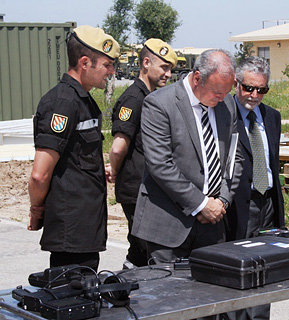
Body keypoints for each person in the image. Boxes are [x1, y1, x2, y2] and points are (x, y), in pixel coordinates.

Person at [131, 49, 243, 265]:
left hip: (214, 222)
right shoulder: (159, 104)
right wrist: (201, 204)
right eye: (217, 92)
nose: (221, 99)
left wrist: (222, 201)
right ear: (198, 78)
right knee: (168, 294)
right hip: (169, 225)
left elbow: (234, 158)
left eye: (226, 92)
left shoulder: (227, 105)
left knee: (212, 293)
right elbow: (161, 165)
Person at [28, 25, 120, 271]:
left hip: (86, 230)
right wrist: (37, 210)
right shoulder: (63, 102)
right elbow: (39, 175)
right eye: (106, 65)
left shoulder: (83, 100)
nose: (111, 72)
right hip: (72, 234)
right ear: (84, 62)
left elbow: (77, 156)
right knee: (72, 300)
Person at [106, 38, 178, 269]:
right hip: (136, 188)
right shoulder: (133, 99)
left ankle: (129, 288)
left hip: (147, 187)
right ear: (146, 63)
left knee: (140, 248)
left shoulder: (151, 97)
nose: (168, 74)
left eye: (170, 69)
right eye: (163, 67)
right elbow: (118, 146)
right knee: (148, 246)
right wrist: (114, 170)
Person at [224, 56, 285, 320]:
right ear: (236, 84)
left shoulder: (272, 117)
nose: (254, 95)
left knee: (264, 268)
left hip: (267, 203)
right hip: (239, 204)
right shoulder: (223, 114)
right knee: (239, 269)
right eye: (248, 88)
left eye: (261, 90)